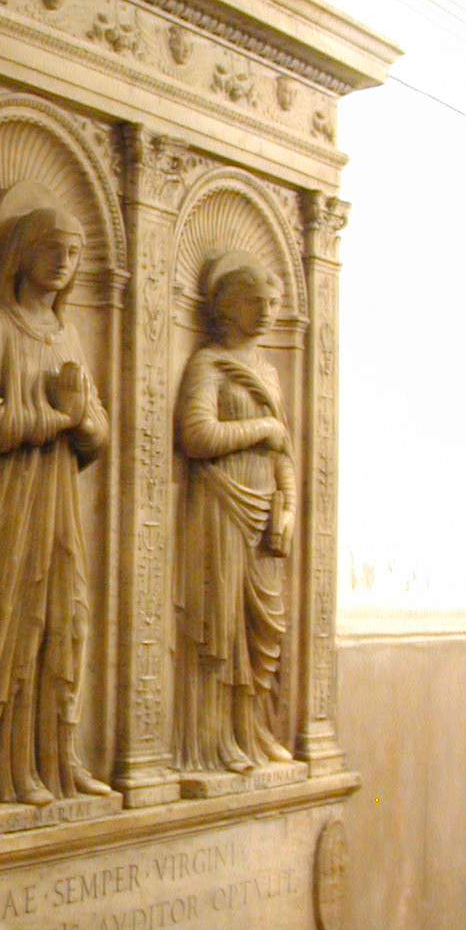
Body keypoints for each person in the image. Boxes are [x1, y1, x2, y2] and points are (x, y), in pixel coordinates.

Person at [0, 180, 112, 805]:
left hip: (59, 503)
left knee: (68, 622)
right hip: (8, 509)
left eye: (74, 252)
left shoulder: (69, 337)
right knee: (14, 626)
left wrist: (83, 421)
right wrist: (54, 419)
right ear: (22, 250)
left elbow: (97, 430)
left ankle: (58, 759)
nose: (64, 261)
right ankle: (2, 771)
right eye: (52, 247)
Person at [172, 250, 296, 773]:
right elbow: (196, 435)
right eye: (255, 302)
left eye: (273, 303)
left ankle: (253, 733)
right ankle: (215, 743)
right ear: (228, 304)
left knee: (261, 629)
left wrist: (288, 503)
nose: (266, 312)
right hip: (220, 507)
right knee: (220, 630)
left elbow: (283, 448)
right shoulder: (208, 363)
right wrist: (261, 430)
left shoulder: (268, 371)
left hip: (263, 513)